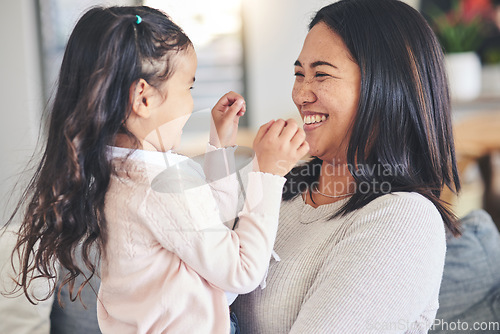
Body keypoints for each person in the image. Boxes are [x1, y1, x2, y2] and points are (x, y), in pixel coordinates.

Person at [4, 6, 309, 334]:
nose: (192, 103)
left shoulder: (121, 173)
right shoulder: (159, 186)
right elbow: (242, 271)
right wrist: (269, 172)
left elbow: (211, 226)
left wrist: (221, 146)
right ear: (144, 99)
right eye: (188, 88)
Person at [232, 0, 462, 332]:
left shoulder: (404, 219)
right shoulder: (272, 183)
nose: (300, 94)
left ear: (385, 85)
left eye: (320, 75)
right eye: (299, 74)